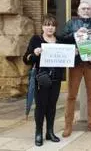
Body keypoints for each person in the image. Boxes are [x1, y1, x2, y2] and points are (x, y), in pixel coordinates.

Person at [61, 1, 91, 137]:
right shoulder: (71, 24)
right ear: (78, 11)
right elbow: (61, 39)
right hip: (76, 64)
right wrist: (75, 33)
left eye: (88, 8)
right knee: (71, 96)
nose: (86, 10)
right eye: (83, 8)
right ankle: (68, 126)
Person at [23, 15, 63, 146]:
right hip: (42, 79)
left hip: (56, 79)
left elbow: (67, 54)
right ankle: (38, 132)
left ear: (55, 27)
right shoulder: (36, 39)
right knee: (41, 107)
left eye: (52, 25)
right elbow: (26, 59)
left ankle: (50, 132)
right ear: (42, 27)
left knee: (52, 106)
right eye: (47, 25)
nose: (50, 27)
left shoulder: (60, 40)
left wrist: (73, 52)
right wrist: (35, 53)